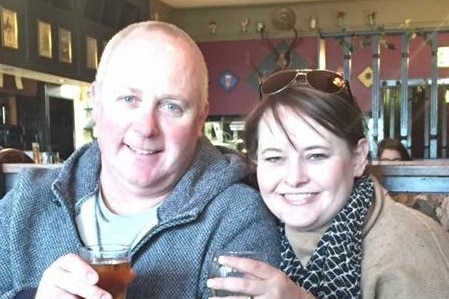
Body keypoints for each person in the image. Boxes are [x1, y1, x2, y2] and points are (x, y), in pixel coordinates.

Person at [0, 21, 281, 299]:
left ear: (200, 119)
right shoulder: (23, 204)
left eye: (171, 106)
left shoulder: (237, 218)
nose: (146, 127)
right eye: (128, 99)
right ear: (96, 101)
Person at [207, 69, 449, 298]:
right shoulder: (250, 230)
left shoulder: (411, 249)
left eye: (316, 155)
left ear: (358, 157)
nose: (294, 178)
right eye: (274, 158)